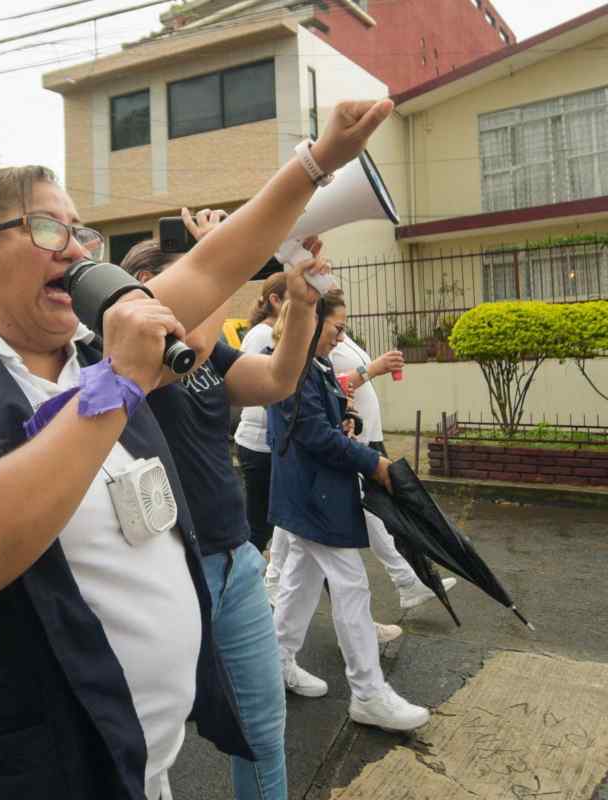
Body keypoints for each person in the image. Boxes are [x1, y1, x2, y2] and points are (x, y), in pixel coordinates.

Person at [0, 95, 392, 800]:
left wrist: (317, 160)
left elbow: (217, 263)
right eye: (47, 226)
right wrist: (114, 385)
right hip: (23, 774)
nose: (78, 249)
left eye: (80, 232)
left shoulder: (89, 352)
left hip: (135, 765)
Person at [122, 222, 327, 800]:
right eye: (196, 270)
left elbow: (280, 379)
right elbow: (192, 353)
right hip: (162, 569)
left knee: (262, 732)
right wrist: (237, 259)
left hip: (234, 562)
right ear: (145, 287)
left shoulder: (211, 350)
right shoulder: (135, 354)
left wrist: (302, 306)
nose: (208, 280)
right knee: (144, 744)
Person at [266, 293, 430, 732]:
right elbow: (314, 436)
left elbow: (317, 426)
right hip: (313, 494)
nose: (342, 335)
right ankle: (368, 693)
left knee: (300, 581)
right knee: (351, 585)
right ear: (311, 322)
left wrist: (346, 419)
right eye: (337, 327)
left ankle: (277, 662)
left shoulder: (308, 363)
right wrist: (373, 464)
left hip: (310, 492)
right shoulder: (294, 364)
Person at [326, 334, 457, 610]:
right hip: (356, 442)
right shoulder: (321, 341)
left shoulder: (343, 337)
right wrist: (374, 367)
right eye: (336, 326)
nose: (339, 333)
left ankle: (409, 581)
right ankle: (408, 582)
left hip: (370, 434)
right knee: (381, 513)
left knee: (380, 514)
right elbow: (334, 386)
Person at [232, 274, 287, 557]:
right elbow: (255, 386)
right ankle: (242, 586)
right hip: (258, 444)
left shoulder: (271, 333)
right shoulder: (264, 335)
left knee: (276, 526)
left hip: (268, 444)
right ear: (275, 301)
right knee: (260, 526)